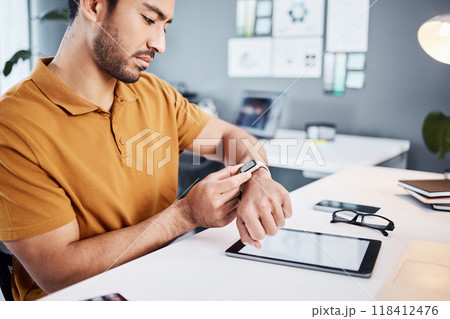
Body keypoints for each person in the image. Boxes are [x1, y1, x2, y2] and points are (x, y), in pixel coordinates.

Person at [0, 0, 292, 301]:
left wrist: (258, 176)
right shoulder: (13, 125)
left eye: (165, 26)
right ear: (94, 5)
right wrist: (186, 215)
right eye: (149, 19)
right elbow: (58, 274)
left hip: (162, 286)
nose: (160, 43)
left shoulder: (155, 94)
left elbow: (230, 138)